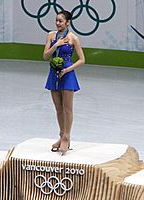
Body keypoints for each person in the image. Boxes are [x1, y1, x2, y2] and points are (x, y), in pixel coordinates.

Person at [43, 10, 85, 156]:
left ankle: (67, 136)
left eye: (61, 21)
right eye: (56, 20)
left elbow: (82, 59)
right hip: (53, 74)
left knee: (67, 108)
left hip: (67, 75)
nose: (58, 23)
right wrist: (56, 45)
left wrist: (68, 69)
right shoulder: (51, 35)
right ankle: (61, 135)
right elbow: (45, 56)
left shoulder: (73, 38)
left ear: (68, 22)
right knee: (58, 108)